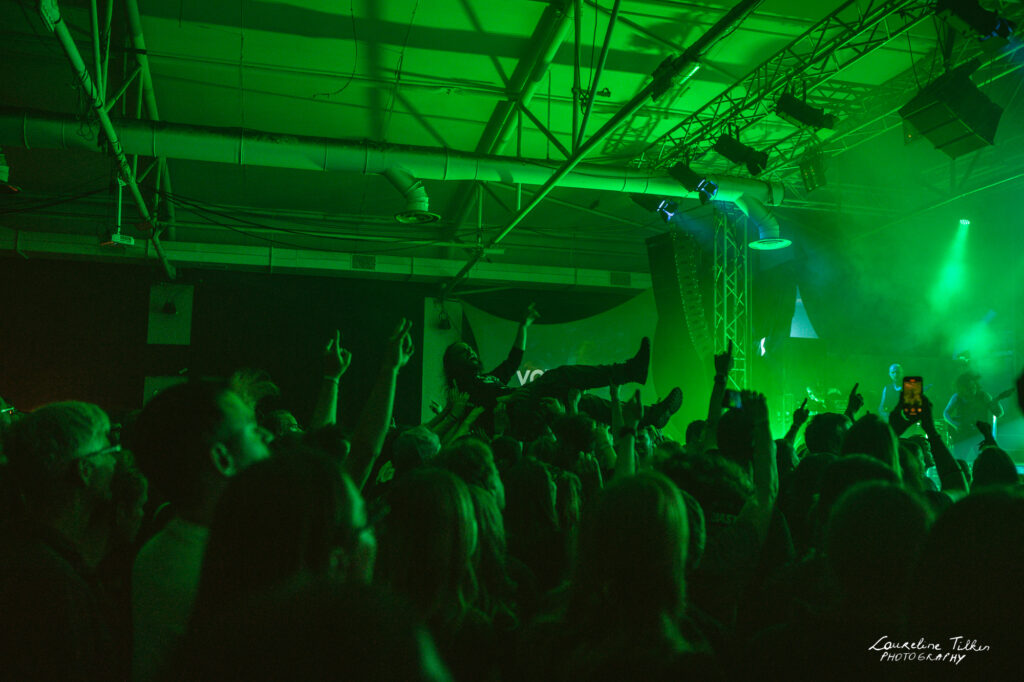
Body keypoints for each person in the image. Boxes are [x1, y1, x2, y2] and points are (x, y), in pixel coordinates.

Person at [128, 380, 272, 682]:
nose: (267, 436)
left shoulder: (160, 551)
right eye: (252, 429)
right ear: (222, 458)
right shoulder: (229, 572)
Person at [0, 402, 128, 681]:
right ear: (84, 470)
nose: (116, 462)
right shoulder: (53, 583)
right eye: (110, 452)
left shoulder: (23, 549)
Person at [943, 371, 1007, 463]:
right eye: (968, 388)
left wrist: (996, 402)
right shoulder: (957, 397)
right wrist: (955, 425)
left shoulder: (984, 396)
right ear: (962, 388)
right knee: (959, 459)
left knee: (983, 460)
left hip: (979, 433)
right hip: (963, 434)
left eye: (973, 387)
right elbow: (945, 413)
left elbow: (999, 414)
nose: (972, 390)